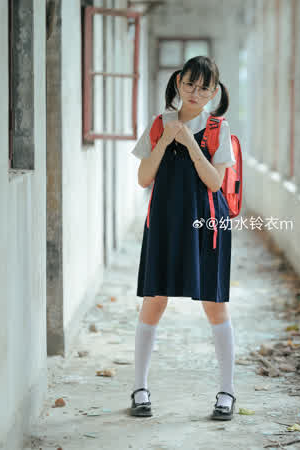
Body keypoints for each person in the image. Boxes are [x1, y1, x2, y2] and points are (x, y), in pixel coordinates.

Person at [128, 56, 237, 420]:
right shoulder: (159, 123)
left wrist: (190, 142)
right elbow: (144, 178)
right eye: (190, 84)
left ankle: (227, 392)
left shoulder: (218, 129)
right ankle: (139, 389)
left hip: (207, 225)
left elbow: (215, 182)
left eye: (204, 88)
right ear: (178, 81)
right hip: (164, 222)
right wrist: (166, 139)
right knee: (154, 300)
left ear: (214, 92)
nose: (195, 92)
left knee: (214, 304)